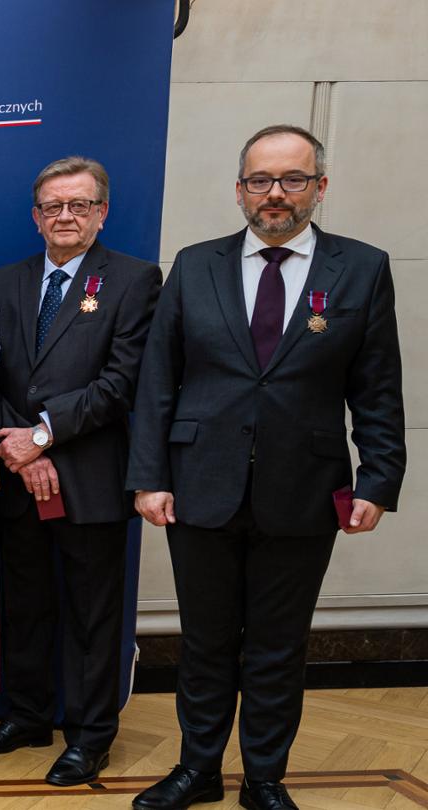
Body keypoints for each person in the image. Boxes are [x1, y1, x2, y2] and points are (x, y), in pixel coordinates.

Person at [127, 125, 405, 810]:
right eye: (260, 180)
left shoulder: (361, 269)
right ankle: (196, 770)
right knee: (206, 642)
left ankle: (265, 778)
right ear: (240, 188)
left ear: (320, 186)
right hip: (199, 486)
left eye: (292, 179)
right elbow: (158, 383)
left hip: (305, 489)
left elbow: (377, 387)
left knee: (280, 646)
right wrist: (149, 476)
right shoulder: (195, 265)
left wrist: (378, 480)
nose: (275, 194)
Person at [0, 157, 161, 787]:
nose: (65, 216)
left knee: (92, 616)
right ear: (36, 216)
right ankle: (26, 717)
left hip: (89, 478)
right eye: (53, 206)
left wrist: (42, 437)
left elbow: (123, 381)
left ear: (102, 212)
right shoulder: (2, 280)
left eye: (79, 205)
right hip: (14, 475)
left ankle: (90, 735)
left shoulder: (133, 281)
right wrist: (16, 446)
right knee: (23, 605)